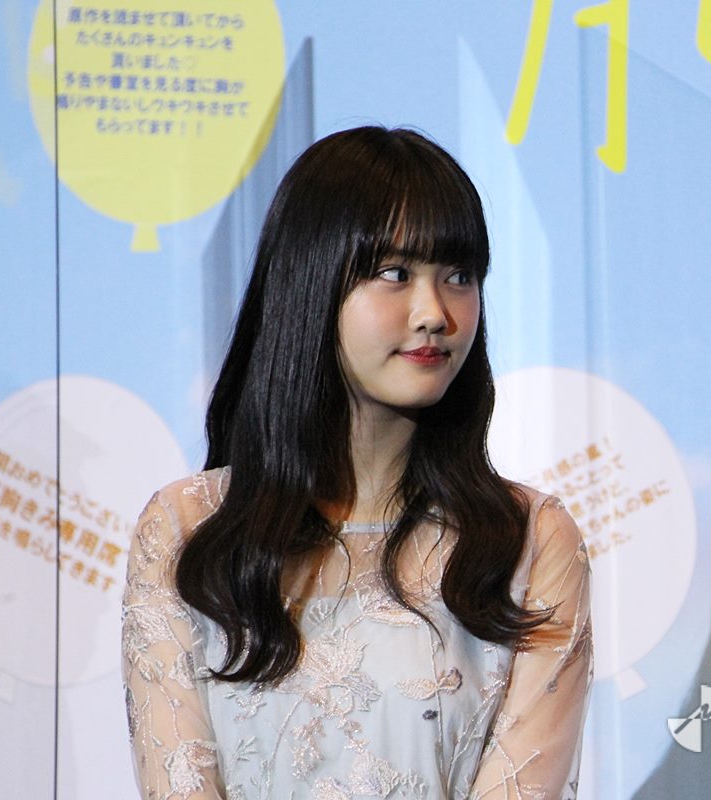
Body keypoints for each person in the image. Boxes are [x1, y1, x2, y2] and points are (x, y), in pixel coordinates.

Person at [121, 126, 593, 800]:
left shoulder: (530, 540)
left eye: (459, 276)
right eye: (395, 274)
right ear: (311, 283)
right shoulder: (187, 528)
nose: (435, 313)